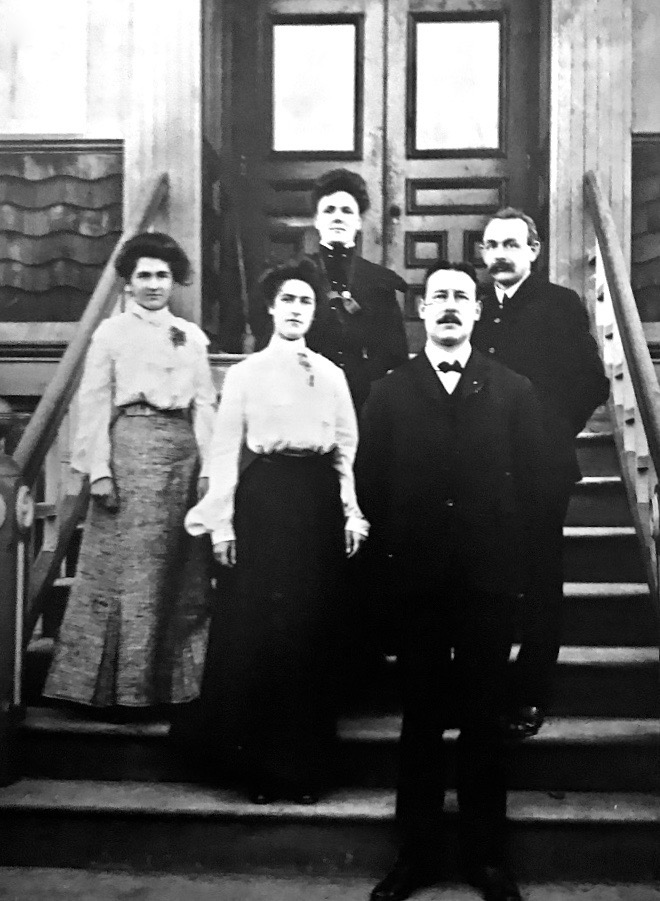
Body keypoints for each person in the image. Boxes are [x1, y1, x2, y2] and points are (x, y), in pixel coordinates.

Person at [356, 262, 548, 901]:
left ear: (476, 312)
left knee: (485, 720)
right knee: (420, 721)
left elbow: (536, 490)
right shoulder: (386, 393)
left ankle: (487, 858)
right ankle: (413, 857)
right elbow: (370, 491)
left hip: (488, 584)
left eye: (460, 297)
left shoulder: (515, 390)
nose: (447, 307)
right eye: (436, 297)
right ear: (422, 312)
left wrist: (512, 573)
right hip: (415, 585)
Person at [184, 258, 369, 804]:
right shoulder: (244, 374)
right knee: (260, 635)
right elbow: (223, 452)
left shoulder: (332, 375)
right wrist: (221, 524)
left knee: (308, 634)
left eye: (306, 301)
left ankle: (303, 771)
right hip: (263, 503)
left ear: (315, 311)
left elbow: (345, 452)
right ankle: (258, 771)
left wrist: (351, 511)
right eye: (287, 300)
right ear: (270, 306)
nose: (296, 310)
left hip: (315, 510)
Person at [43, 232, 216, 716]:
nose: (154, 284)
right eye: (144, 275)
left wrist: (208, 469)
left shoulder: (192, 336)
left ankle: (174, 688)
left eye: (162, 275)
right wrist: (99, 471)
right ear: (128, 282)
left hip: (182, 457)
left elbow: (205, 404)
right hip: (130, 451)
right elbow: (94, 402)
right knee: (129, 574)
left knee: (181, 571)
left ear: (174, 280)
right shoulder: (111, 334)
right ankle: (121, 690)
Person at [472, 207, 610, 736]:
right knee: (483, 580)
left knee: (537, 582)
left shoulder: (559, 305)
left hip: (539, 470)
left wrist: (548, 432)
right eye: (492, 246)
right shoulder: (476, 306)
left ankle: (530, 693)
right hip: (479, 473)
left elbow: (591, 382)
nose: (501, 255)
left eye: (512, 244)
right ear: (484, 254)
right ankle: (483, 690)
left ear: (533, 250)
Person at [252, 168, 408, 411]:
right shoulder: (291, 276)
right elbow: (267, 343)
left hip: (361, 402)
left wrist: (362, 379)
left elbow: (395, 353)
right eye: (329, 210)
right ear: (316, 220)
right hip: (301, 397)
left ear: (358, 222)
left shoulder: (379, 282)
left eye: (346, 211)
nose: (337, 217)